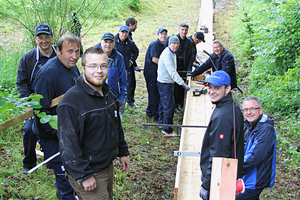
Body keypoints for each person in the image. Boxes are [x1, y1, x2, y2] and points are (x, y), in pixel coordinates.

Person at [57, 47, 130, 200]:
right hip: (90, 172)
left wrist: (122, 152)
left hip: (106, 166)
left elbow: (116, 125)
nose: (99, 71)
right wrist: (83, 175)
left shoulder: (107, 93)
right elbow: (68, 146)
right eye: (93, 66)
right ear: (82, 68)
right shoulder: (71, 103)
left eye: (103, 66)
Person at [33, 34, 81, 199]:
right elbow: (39, 113)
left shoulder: (72, 66)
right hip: (52, 136)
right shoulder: (47, 75)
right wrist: (60, 133)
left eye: (77, 51)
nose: (74, 56)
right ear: (58, 51)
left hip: (70, 133)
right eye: (69, 51)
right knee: (66, 181)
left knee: (72, 179)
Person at [16, 24, 57, 174]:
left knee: (56, 128)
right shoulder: (28, 58)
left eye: (47, 37)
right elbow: (21, 83)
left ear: (52, 38)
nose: (44, 41)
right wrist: (29, 103)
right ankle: (28, 164)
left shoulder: (59, 57)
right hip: (36, 103)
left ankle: (54, 160)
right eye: (41, 38)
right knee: (29, 130)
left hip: (55, 101)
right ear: (36, 39)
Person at [199, 71, 244, 200]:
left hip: (221, 179)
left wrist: (206, 185)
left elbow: (218, 154)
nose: (212, 92)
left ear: (228, 89)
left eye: (217, 88)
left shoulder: (223, 116)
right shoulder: (231, 107)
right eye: (210, 87)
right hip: (228, 175)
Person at [236, 97, 276, 200]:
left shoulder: (266, 130)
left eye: (252, 109)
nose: (249, 112)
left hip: (255, 179)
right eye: (246, 110)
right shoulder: (247, 126)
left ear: (260, 110)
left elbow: (254, 156)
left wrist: (235, 172)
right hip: (246, 178)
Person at [157, 36, 190, 135]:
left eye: (177, 44)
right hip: (165, 83)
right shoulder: (167, 54)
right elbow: (172, 72)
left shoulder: (172, 52)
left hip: (166, 81)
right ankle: (167, 130)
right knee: (169, 106)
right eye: (173, 43)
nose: (175, 45)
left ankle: (161, 121)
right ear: (169, 44)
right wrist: (183, 84)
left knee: (163, 103)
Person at [95, 33, 127, 117]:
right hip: (96, 96)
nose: (108, 44)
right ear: (101, 43)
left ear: (114, 44)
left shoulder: (119, 58)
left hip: (113, 96)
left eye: (110, 42)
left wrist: (122, 97)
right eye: (105, 42)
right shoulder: (93, 56)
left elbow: (123, 79)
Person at [165, 23, 194, 113]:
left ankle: (181, 102)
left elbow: (191, 57)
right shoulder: (173, 40)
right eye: (182, 29)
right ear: (179, 29)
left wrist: (189, 70)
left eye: (186, 30)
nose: (184, 32)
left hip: (184, 67)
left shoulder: (189, 43)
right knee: (174, 87)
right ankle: (175, 105)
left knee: (181, 87)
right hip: (174, 67)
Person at [143, 28, 168, 122]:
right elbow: (155, 59)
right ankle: (156, 116)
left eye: (165, 34)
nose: (163, 36)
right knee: (154, 94)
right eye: (161, 34)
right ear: (157, 35)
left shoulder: (164, 45)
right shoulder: (155, 44)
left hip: (157, 73)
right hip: (151, 73)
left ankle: (149, 111)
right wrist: (167, 67)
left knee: (154, 93)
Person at [114, 25, 140, 109]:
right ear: (119, 32)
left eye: (126, 33)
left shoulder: (130, 43)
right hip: (114, 68)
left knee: (128, 85)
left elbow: (136, 51)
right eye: (122, 32)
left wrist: (131, 61)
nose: (124, 35)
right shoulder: (113, 41)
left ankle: (129, 102)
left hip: (126, 67)